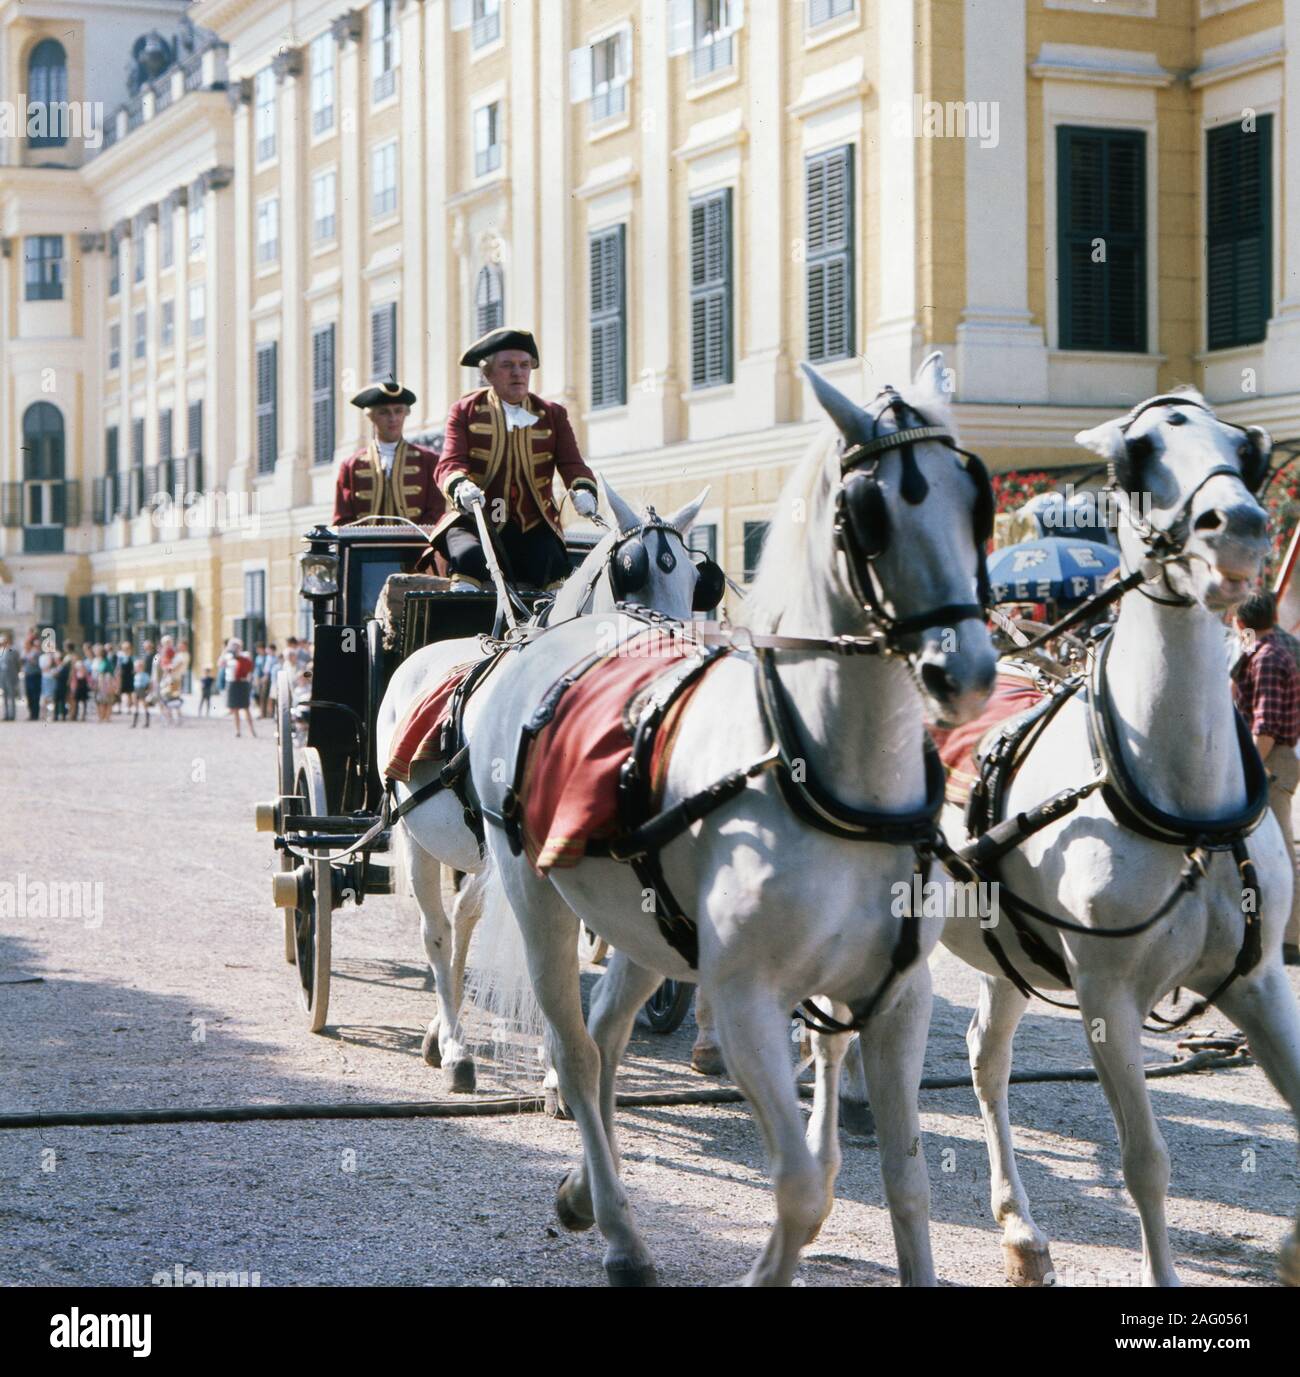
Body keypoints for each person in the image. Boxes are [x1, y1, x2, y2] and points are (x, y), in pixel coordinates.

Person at [429, 328, 599, 591]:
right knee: (468, 559)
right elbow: (449, 462)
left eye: (524, 365)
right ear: (488, 374)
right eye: (507, 366)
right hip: (475, 522)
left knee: (554, 567)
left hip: (532, 525)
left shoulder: (552, 414)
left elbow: (571, 464)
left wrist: (582, 489)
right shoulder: (465, 410)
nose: (518, 373)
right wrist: (460, 485)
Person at [1232, 591, 1300, 966]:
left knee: (1278, 849)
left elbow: (1266, 727)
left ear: (1242, 624)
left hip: (1270, 759)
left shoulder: (1268, 657)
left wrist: (1250, 767)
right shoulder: (1264, 653)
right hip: (1271, 757)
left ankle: (1291, 938)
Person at [332, 380, 445, 528]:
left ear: (406, 414)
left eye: (398, 411)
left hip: (415, 548)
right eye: (384, 412)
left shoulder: (428, 460)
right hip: (366, 548)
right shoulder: (351, 465)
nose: (393, 418)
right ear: (371, 416)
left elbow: (436, 512)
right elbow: (342, 520)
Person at [220, 637, 257, 738]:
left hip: (243, 683)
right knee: (235, 709)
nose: (235, 648)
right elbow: (220, 664)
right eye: (233, 646)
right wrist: (225, 651)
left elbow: (250, 667)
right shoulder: (228, 656)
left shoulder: (245, 655)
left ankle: (252, 730)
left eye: (237, 646)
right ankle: (237, 730)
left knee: (246, 708)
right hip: (232, 683)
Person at [22, 631, 42, 720]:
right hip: (28, 675)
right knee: (29, 695)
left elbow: (37, 663)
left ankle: (35, 714)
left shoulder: (36, 652)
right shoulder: (26, 652)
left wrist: (30, 659)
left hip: (35, 675)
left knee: (35, 695)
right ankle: (31, 714)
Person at [0, 634, 19, 721]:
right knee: (5, 697)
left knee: (12, 697)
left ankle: (12, 715)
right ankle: (6, 714)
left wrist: (15, 676)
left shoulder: (13, 651)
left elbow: (17, 664)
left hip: (11, 677)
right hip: (2, 677)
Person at [130, 656, 151, 728]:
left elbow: (148, 684)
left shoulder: (145, 675)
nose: (135, 668)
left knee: (144, 705)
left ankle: (147, 722)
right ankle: (134, 722)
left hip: (142, 690)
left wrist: (148, 691)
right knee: (136, 706)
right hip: (136, 690)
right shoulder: (136, 675)